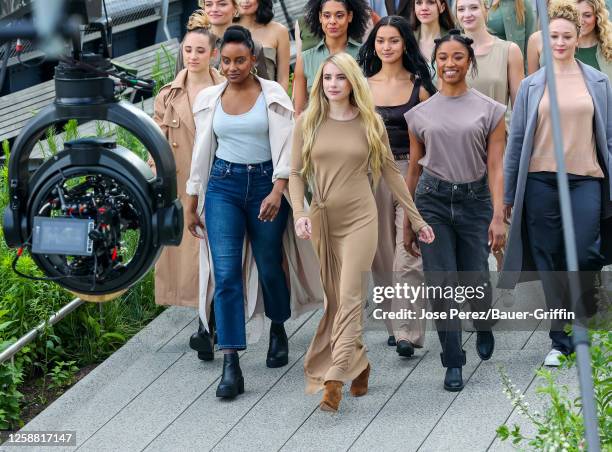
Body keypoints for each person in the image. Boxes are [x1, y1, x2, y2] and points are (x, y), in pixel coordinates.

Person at [289, 52, 435, 412]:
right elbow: (294, 174)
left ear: (353, 82)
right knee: (335, 300)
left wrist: (416, 220)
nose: (333, 84)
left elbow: (390, 174)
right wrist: (299, 212)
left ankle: (335, 375)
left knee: (352, 294)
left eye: (340, 78)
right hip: (323, 219)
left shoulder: (370, 122)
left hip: (360, 218)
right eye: (327, 78)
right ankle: (361, 364)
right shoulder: (307, 122)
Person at [186, 25, 322, 399]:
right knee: (226, 272)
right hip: (223, 187)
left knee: (268, 263)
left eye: (240, 60)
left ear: (253, 58)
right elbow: (201, 153)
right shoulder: (210, 99)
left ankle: (278, 325)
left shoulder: (273, 94)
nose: (232, 67)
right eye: (226, 60)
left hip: (266, 186)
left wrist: (279, 189)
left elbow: (289, 146)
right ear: (218, 58)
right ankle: (231, 361)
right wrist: (191, 201)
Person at [501, 0, 612, 367]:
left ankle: (584, 317)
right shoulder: (533, 85)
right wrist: (507, 195)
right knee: (549, 258)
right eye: (553, 37)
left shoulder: (597, 81)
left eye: (567, 36)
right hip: (540, 181)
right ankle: (561, 337)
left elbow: (608, 138)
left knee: (583, 253)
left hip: (586, 179)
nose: (560, 42)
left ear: (578, 37)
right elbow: (517, 141)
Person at [404, 30, 506, 391]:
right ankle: (453, 361)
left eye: (458, 57)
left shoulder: (490, 110)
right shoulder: (418, 114)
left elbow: (495, 166)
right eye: (443, 58)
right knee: (440, 282)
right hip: (431, 200)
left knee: (475, 275)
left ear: (470, 61)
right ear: (435, 62)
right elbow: (414, 169)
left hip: (475, 200)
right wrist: (408, 221)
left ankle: (482, 321)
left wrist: (498, 215)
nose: (450, 64)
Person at [358, 15, 436, 356]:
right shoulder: (361, 85)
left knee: (408, 254)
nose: (386, 47)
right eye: (380, 41)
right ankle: (394, 325)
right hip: (370, 173)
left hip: (410, 172)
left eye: (393, 40)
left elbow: (435, 135)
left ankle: (407, 332)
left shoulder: (420, 85)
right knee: (382, 254)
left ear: (405, 44)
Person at [150, 10, 224, 361]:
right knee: (193, 254)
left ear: (213, 53)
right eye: (188, 50)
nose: (192, 56)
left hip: (217, 179)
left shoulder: (225, 88)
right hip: (181, 184)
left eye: (200, 50)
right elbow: (156, 138)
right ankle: (206, 323)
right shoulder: (168, 94)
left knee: (213, 252)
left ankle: (207, 325)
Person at [292, 0, 371, 115]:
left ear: (350, 16)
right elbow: (299, 112)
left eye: (339, 15)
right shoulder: (305, 59)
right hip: (317, 129)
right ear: (320, 17)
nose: (332, 21)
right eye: (326, 15)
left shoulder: (364, 55)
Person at [455, 0, 524, 107]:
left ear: (486, 10)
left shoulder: (510, 51)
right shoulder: (450, 52)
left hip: (498, 123)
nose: (467, 14)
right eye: (461, 9)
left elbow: (519, 108)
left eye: (474, 7)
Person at [527, 0, 612, 76]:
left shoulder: (609, 44)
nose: (581, 21)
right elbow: (532, 86)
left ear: (597, 16)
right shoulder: (538, 40)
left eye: (587, 15)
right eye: (576, 15)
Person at [197, 0, 270, 78]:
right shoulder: (191, 44)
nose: (214, 9)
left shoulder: (254, 46)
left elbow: (264, 86)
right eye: (208, 4)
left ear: (235, 8)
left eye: (222, 4)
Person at [237, 0, 291, 90]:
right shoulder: (224, 30)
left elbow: (283, 79)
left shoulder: (279, 31)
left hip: (270, 99)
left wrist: (278, 102)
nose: (245, 1)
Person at [410, 0, 454, 82]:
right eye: (419, 3)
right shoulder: (406, 40)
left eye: (430, 2)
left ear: (442, 7)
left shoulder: (455, 40)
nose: (424, 8)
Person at [486, 0, 536, 69]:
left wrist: (527, 75)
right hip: (488, 64)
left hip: (513, 68)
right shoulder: (483, 2)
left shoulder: (523, 3)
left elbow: (530, 42)